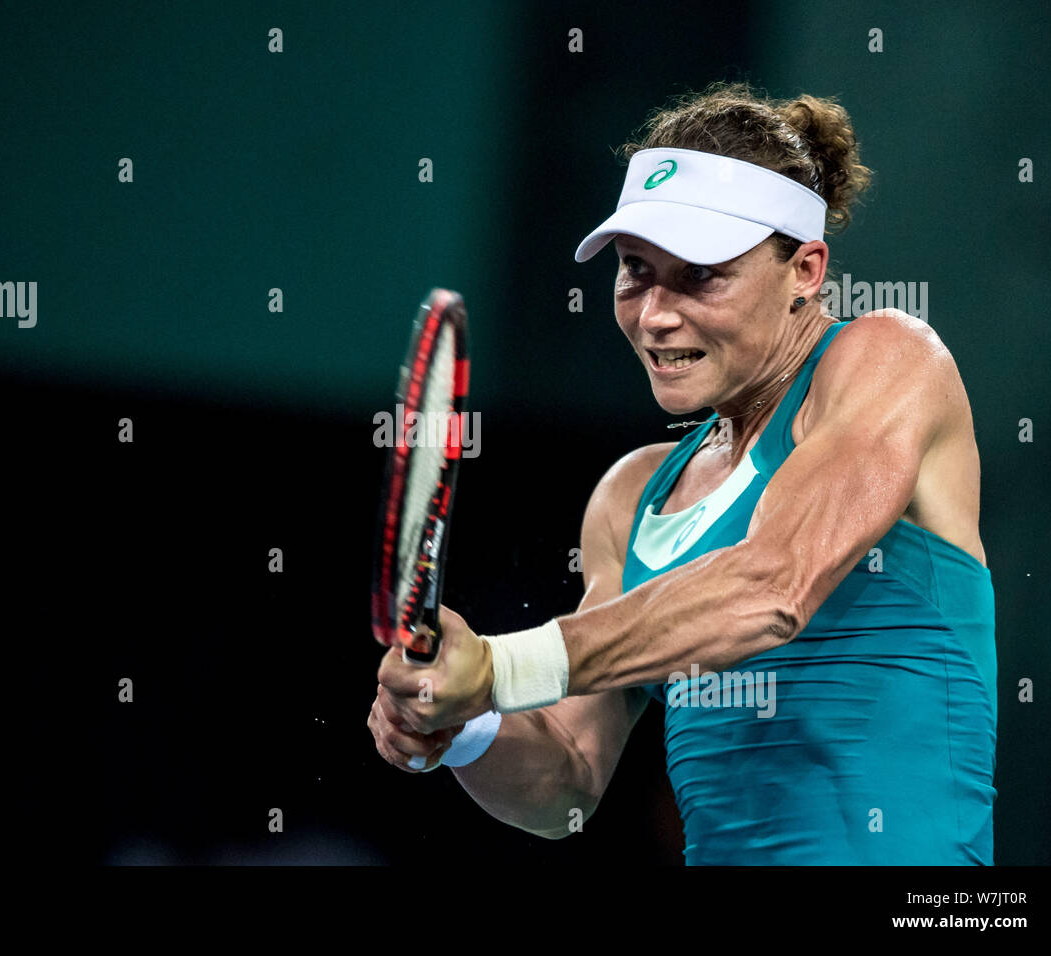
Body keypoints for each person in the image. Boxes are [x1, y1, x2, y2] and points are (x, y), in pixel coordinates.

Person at [367, 82, 996, 864]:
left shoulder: (889, 360)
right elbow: (565, 784)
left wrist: (498, 667)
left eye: (700, 275)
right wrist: (465, 725)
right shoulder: (630, 498)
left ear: (805, 269)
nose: (656, 313)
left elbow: (770, 588)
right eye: (636, 270)